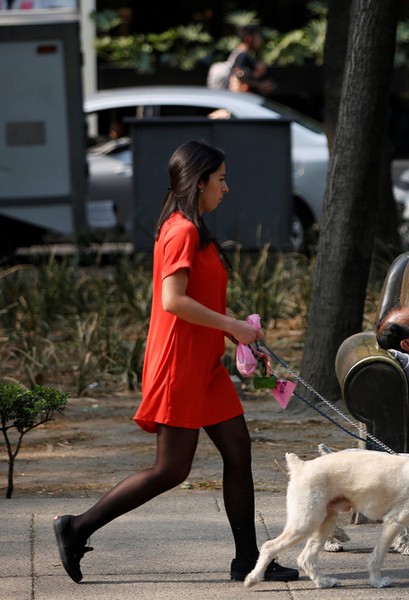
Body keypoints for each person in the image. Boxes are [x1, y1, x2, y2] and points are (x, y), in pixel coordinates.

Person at [52, 140, 299, 584]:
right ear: (199, 180)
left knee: (238, 451)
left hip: (204, 364)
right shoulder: (181, 229)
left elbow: (197, 299)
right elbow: (173, 301)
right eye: (220, 179)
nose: (226, 187)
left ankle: (247, 559)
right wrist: (233, 325)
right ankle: (76, 528)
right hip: (179, 365)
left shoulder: (193, 228)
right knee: (171, 469)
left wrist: (236, 332)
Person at [228, 24, 275, 95]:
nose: (259, 40)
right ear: (249, 38)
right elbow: (239, 74)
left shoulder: (243, 54)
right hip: (240, 98)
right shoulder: (241, 55)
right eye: (257, 37)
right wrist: (259, 85)